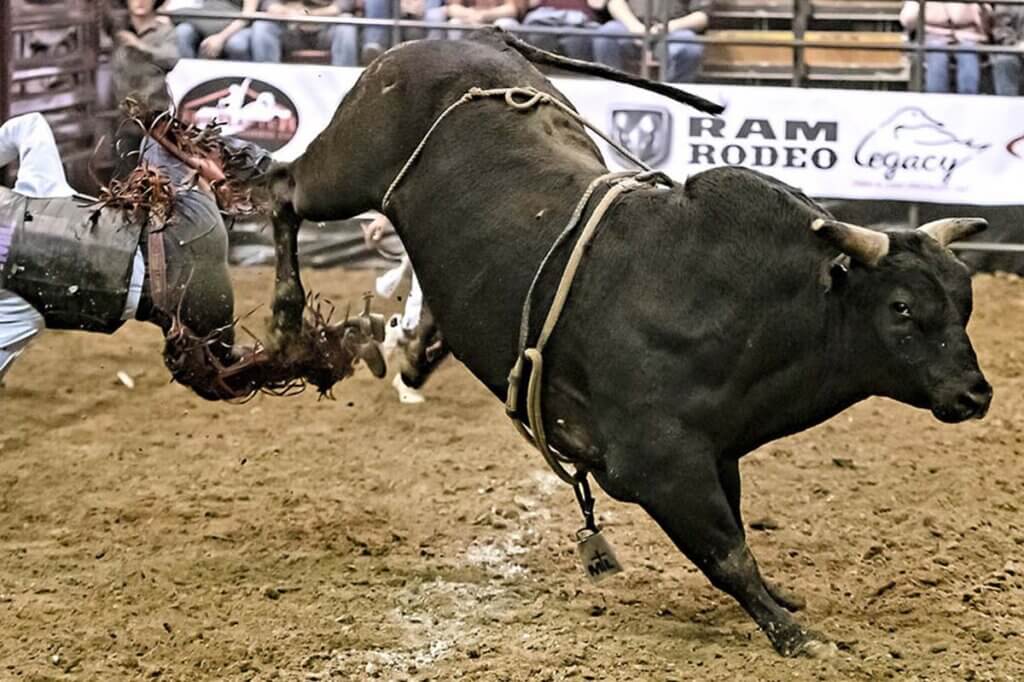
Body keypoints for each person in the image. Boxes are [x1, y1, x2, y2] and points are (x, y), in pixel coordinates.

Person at [0, 112, 269, 397]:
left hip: (183, 299)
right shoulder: (35, 194)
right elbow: (28, 125)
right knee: (160, 135)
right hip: (192, 227)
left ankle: (299, 356)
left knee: (221, 379)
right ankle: (278, 175)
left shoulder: (9, 307)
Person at [104, 0, 180, 178]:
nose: (140, 1)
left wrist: (138, 45)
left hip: (154, 115)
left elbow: (170, 58)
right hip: (123, 115)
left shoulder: (164, 32)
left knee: (159, 172)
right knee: (124, 170)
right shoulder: (116, 32)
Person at [593, 0, 710, 82]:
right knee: (607, 33)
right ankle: (612, 87)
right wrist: (635, 27)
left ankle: (674, 96)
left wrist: (667, 28)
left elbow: (702, 17)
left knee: (689, 47)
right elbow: (615, 2)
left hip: (674, 30)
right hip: (630, 26)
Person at [899, 1, 991, 94]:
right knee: (937, 53)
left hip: (968, 33)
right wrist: (914, 9)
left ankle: (968, 101)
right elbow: (907, 19)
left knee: (968, 52)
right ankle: (937, 101)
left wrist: (983, 10)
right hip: (932, 33)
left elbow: (988, 16)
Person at [250, 0, 360, 66]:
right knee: (262, 24)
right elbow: (269, 5)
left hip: (326, 29)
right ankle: (269, 84)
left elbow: (342, 6)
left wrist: (310, 15)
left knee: (346, 22)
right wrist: (291, 13)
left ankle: (345, 85)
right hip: (290, 28)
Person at [501, 0, 606, 60]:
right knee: (538, 34)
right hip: (543, 23)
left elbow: (598, 4)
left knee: (576, 39)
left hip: (578, 24)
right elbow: (525, 5)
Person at [360, 0, 448, 64]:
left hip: (425, 17)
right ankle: (375, 47)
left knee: (434, 14)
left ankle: (434, 55)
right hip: (392, 16)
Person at [172, 0, 259, 60]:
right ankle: (187, 76)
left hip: (234, 23)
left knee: (236, 44)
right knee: (183, 32)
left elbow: (248, 15)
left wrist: (221, 37)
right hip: (205, 17)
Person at [990, 2, 1024, 96]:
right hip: (1016, 46)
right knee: (1004, 60)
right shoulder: (1007, 2)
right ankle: (1008, 107)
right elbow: (1001, 28)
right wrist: (1015, 43)